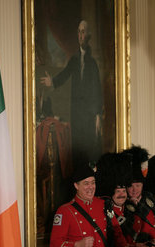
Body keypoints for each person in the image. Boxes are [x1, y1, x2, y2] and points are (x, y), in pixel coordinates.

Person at [40, 20, 103, 168]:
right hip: (76, 112)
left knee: (89, 149)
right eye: (79, 32)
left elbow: (97, 90)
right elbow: (65, 74)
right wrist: (53, 82)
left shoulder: (92, 63)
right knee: (76, 151)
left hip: (89, 114)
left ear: (89, 36)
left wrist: (98, 115)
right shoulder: (74, 59)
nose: (81, 35)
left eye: (83, 32)